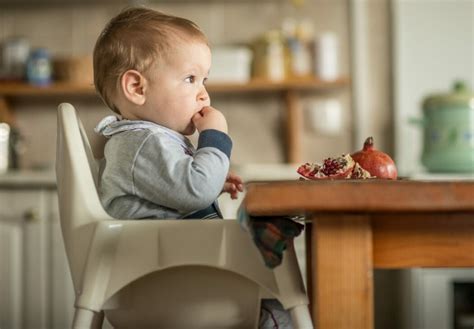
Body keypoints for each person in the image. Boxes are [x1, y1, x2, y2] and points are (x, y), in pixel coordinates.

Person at [93, 7, 293, 328]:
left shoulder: (143, 141)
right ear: (137, 88)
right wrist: (215, 138)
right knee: (281, 309)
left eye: (204, 80)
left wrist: (209, 176)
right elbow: (195, 192)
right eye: (190, 79)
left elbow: (181, 188)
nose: (204, 94)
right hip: (166, 284)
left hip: (167, 274)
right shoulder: (145, 141)